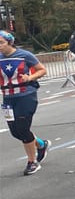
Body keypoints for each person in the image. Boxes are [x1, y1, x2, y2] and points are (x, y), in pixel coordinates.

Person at [0, 30, 50, 175]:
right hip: (8, 97)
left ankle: (32, 162)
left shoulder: (24, 55)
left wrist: (30, 77)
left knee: (22, 128)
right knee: (15, 132)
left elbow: (42, 70)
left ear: (10, 42)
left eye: (1, 43)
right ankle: (41, 144)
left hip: (26, 96)